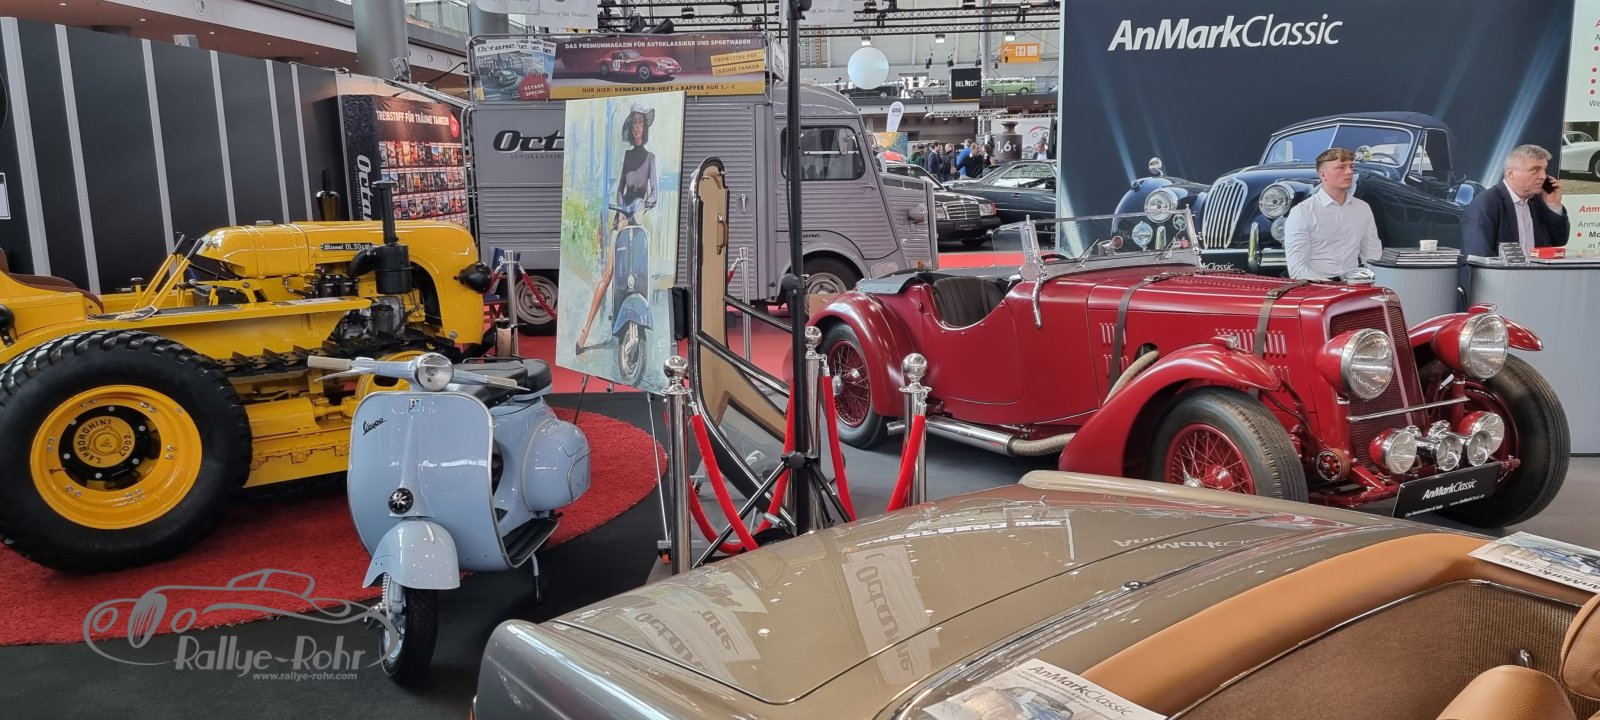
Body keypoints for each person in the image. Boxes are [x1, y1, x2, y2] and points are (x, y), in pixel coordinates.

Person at [576, 103, 658, 356]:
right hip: (622, 219)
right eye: (634, 123)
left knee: (641, 273)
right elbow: (620, 189)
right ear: (630, 128)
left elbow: (654, 191)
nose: (637, 127)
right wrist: (622, 211)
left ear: (645, 127)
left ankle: (636, 320)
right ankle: (585, 330)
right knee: (610, 272)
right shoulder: (627, 157)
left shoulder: (650, 158)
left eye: (640, 122)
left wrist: (644, 205)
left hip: (639, 220)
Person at [1282, 147, 1382, 281]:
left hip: (1354, 284)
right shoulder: (1302, 212)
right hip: (1315, 287)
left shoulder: (1363, 208)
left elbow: (1372, 255)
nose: (1349, 172)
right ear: (1323, 175)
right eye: (1341, 167)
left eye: (1351, 166)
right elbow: (1297, 269)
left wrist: (1369, 281)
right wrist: (1331, 287)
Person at [1461, 144, 1568, 258]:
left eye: (1544, 169)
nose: (1543, 176)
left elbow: (1559, 240)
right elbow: (1479, 256)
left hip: (1536, 269)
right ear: (1510, 173)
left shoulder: (1539, 201)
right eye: (1535, 170)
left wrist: (1553, 205)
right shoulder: (1485, 204)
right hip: (1503, 270)